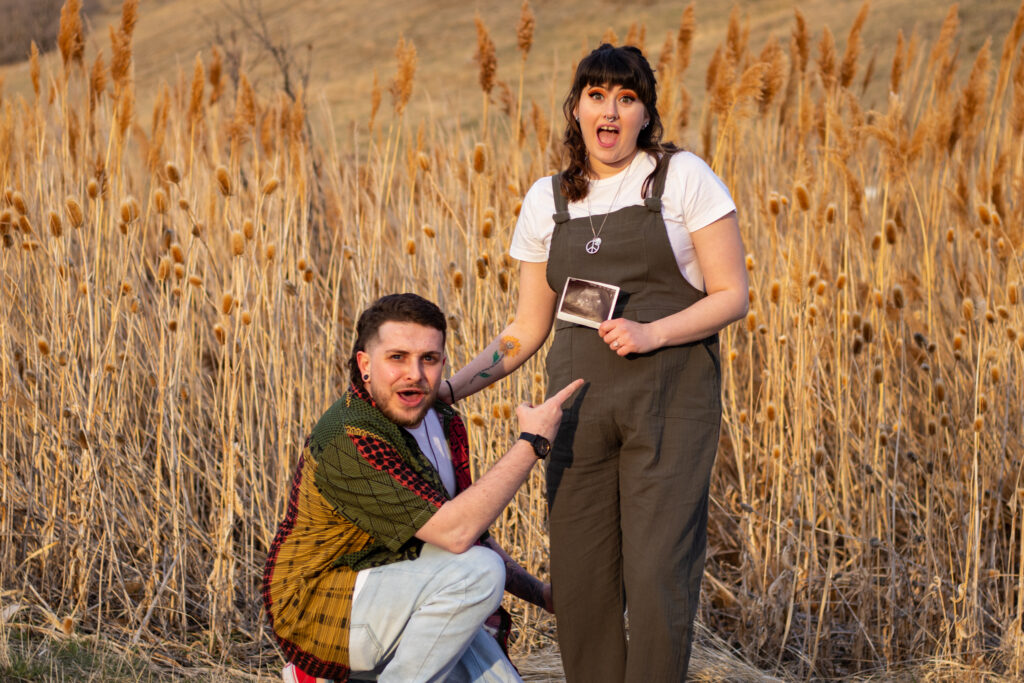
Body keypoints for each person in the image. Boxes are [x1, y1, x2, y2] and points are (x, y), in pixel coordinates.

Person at [445, 44, 749, 681]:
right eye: (597, 96)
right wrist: (451, 389)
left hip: (669, 408)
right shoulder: (546, 199)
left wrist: (653, 332)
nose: (610, 111)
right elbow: (526, 329)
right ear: (576, 108)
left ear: (645, 114)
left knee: (658, 574)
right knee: (581, 585)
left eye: (626, 97)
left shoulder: (682, 177)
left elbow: (731, 295)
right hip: (576, 415)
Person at [262, 293, 583, 683]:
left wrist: (540, 594)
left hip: (402, 590)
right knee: (478, 572)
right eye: (397, 357)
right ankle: (319, 674)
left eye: (428, 359)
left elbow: (471, 534)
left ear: (443, 363)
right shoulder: (348, 438)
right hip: (323, 608)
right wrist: (531, 443)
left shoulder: (443, 422)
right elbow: (457, 534)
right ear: (365, 364)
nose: (414, 373)